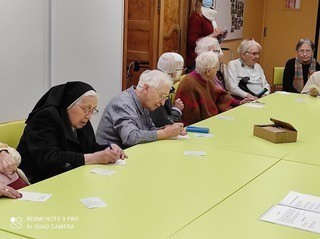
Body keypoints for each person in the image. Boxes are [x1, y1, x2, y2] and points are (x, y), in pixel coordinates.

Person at [17, 81, 127, 183]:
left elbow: (91, 148)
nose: (89, 116)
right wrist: (94, 158)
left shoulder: (81, 120)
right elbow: (49, 159)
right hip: (36, 181)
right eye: (86, 109)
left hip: (67, 177)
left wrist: (110, 148)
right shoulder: (45, 117)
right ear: (69, 104)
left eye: (93, 110)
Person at [96, 70, 185, 149]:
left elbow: (149, 129)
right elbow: (130, 137)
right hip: (110, 160)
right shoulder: (123, 103)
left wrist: (167, 129)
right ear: (146, 88)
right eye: (161, 96)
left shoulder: (142, 103)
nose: (162, 103)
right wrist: (164, 133)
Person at [175, 51, 241, 126]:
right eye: (216, 67)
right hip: (199, 124)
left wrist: (238, 103)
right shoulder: (189, 83)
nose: (217, 71)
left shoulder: (206, 78)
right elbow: (191, 115)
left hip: (211, 119)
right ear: (208, 71)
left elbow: (220, 95)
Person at [186, 0, 226, 72]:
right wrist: (213, 35)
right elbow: (192, 42)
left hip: (209, 58)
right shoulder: (196, 17)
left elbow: (210, 39)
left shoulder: (210, 16)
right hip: (198, 60)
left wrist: (219, 36)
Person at [149, 52, 184, 127]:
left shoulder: (151, 81)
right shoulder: (161, 90)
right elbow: (167, 125)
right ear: (174, 73)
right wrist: (176, 110)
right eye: (182, 69)